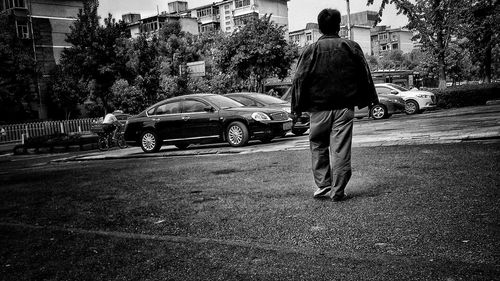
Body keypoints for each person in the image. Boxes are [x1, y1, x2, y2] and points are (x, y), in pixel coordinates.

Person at [291, 8, 378, 201]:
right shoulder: (351, 47)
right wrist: (372, 101)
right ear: (338, 26)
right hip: (344, 107)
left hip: (318, 109)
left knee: (318, 145)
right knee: (340, 148)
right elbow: (365, 76)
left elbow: (299, 80)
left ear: (320, 27)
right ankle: (338, 190)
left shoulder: (310, 51)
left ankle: (323, 187)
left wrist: (296, 109)